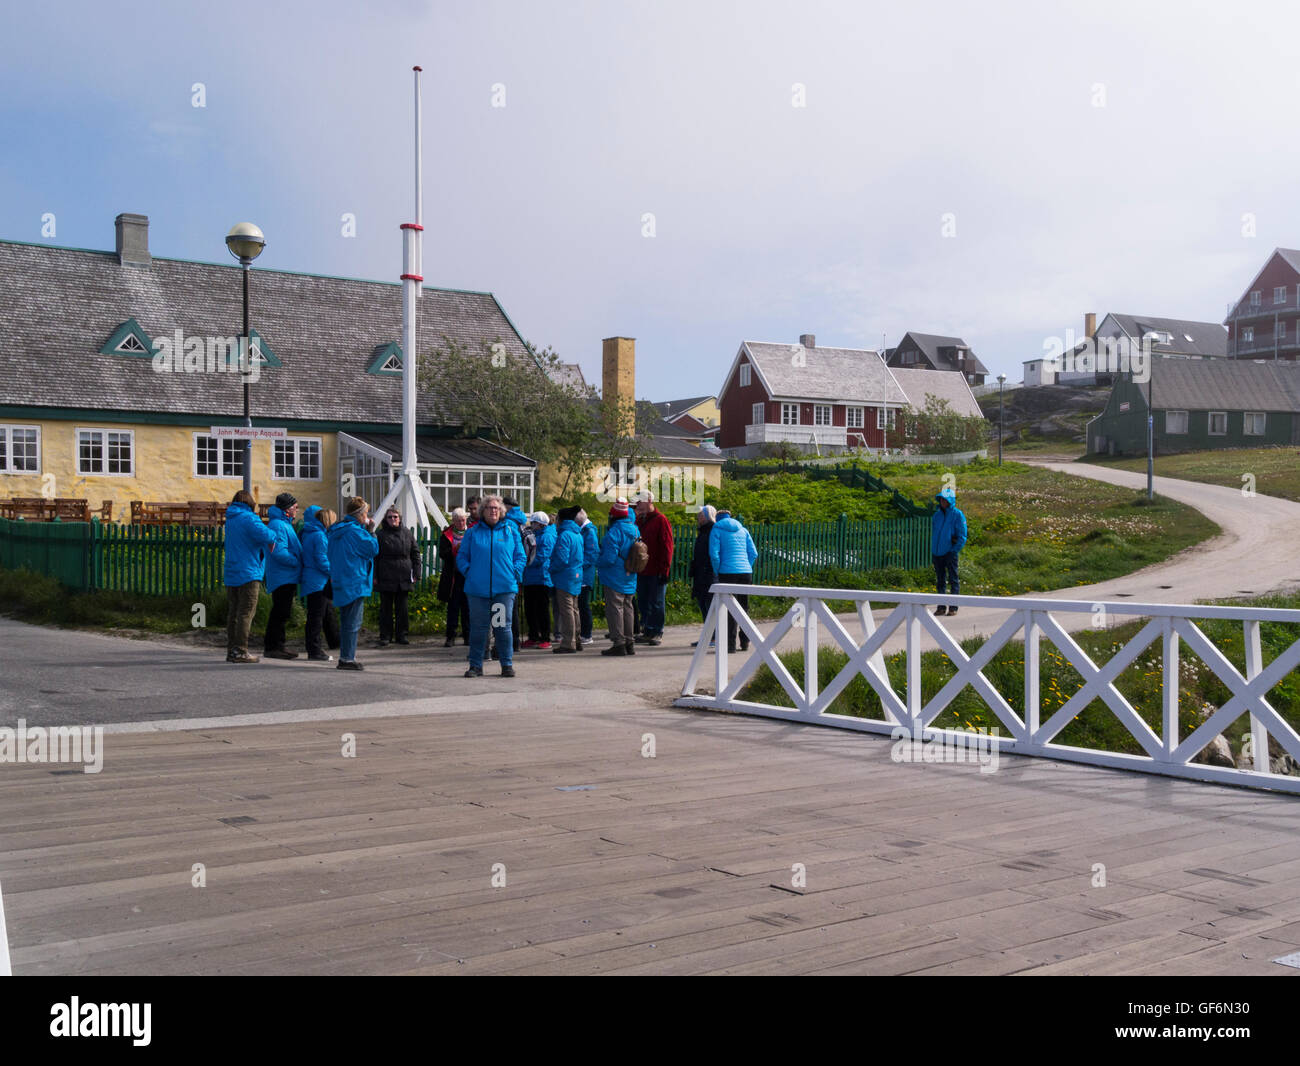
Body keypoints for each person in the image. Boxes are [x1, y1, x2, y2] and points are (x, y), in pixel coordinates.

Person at [456, 494, 526, 678]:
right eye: (489, 508)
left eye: (496, 508)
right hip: (478, 591)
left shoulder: (510, 531)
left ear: (501, 511)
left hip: (503, 590)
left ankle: (506, 665)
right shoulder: (473, 532)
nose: (493, 511)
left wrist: (514, 572)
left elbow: (520, 555)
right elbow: (462, 557)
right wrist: (469, 572)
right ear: (483, 511)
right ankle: (476, 666)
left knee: (502, 628)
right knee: (478, 629)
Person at [223, 489, 278, 664]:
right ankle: (241, 650)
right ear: (250, 503)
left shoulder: (230, 519)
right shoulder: (249, 518)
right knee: (246, 613)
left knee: (233, 612)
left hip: (232, 571)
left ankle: (232, 649)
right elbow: (268, 535)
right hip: (248, 571)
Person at [328, 496, 379, 670]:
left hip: (341, 578)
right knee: (353, 622)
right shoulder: (355, 532)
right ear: (359, 514)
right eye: (366, 512)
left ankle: (346, 656)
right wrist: (372, 530)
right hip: (355, 580)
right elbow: (373, 549)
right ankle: (347, 658)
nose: (367, 515)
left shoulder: (337, 530)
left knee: (346, 621)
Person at [709, 508, 758, 654]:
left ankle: (730, 645)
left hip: (727, 572)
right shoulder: (743, 530)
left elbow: (714, 554)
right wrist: (746, 566)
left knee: (729, 609)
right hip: (745, 573)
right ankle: (745, 642)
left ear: (717, 518)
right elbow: (754, 553)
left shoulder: (716, 529)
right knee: (744, 607)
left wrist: (717, 570)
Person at [262, 492, 304, 659]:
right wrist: (297, 561)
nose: (297, 510)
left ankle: (278, 645)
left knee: (282, 611)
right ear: (287, 509)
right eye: (294, 507)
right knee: (280, 612)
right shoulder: (279, 526)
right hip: (283, 576)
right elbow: (279, 553)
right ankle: (273, 646)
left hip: (285, 576)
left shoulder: (281, 524)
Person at [375, 506, 422, 646]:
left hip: (403, 575)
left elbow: (415, 554)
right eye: (390, 517)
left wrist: (417, 573)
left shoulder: (407, 533)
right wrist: (375, 576)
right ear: (386, 519)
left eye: (395, 517)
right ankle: (385, 636)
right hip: (386, 575)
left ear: (399, 518)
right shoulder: (380, 535)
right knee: (386, 609)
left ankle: (402, 635)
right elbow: (375, 558)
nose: (393, 519)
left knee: (403, 609)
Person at [598, 498, 639, 656]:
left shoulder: (614, 532)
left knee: (615, 608)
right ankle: (630, 642)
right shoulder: (635, 529)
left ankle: (618, 643)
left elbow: (609, 558)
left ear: (614, 515)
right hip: (630, 574)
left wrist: (597, 561)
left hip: (614, 575)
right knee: (628, 607)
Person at [634, 491, 673, 646]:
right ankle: (648, 630)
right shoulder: (640, 521)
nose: (637, 505)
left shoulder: (661, 520)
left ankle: (657, 631)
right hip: (642, 569)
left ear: (649, 501)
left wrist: (665, 570)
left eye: (640, 502)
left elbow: (667, 546)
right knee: (643, 601)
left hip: (656, 569)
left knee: (656, 602)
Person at [300, 505, 337, 662]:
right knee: (316, 617)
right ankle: (314, 650)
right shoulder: (320, 536)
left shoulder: (309, 534)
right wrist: (333, 572)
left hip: (311, 578)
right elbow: (321, 559)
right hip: (318, 580)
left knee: (317, 615)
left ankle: (319, 646)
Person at [549, 506, 584, 653]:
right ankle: (577, 639)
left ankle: (569, 642)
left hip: (565, 577)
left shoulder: (564, 535)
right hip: (576, 574)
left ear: (561, 520)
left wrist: (551, 568)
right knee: (574, 609)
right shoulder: (578, 534)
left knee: (567, 610)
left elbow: (562, 560)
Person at [931, 485, 968, 616]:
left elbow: (962, 535)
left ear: (951, 501)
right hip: (937, 552)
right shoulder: (937, 515)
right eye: (941, 499)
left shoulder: (958, 515)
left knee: (953, 579)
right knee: (940, 580)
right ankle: (941, 607)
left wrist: (954, 550)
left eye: (945, 500)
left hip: (950, 552)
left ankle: (953, 607)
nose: (943, 502)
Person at [437, 507, 471, 646]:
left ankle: (468, 636)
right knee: (453, 607)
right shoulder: (447, 534)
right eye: (458, 520)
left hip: (468, 575)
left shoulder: (471, 533)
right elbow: (442, 554)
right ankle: (450, 636)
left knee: (467, 607)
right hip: (453, 575)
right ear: (453, 521)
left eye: (463, 520)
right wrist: (453, 551)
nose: (461, 522)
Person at [521, 511, 555, 648]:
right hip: (530, 578)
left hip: (542, 578)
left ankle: (545, 637)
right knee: (530, 609)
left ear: (540, 524)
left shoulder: (547, 536)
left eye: (533, 523)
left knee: (542, 609)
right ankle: (533, 635)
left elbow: (542, 557)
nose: (531, 525)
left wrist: (526, 562)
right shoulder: (535, 535)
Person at [689, 504, 717, 649]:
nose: (698, 517)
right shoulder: (703, 531)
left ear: (707, 516)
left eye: (701, 514)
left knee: (710, 606)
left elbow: (712, 554)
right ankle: (708, 636)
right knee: (704, 606)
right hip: (701, 574)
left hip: (708, 574)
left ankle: (714, 637)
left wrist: (709, 570)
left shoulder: (712, 531)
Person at [576, 508, 599, 645]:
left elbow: (592, 554)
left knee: (583, 605)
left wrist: (579, 564)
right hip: (582, 573)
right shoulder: (586, 531)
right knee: (581, 604)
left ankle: (587, 634)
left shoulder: (589, 532)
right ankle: (583, 632)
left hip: (585, 574)